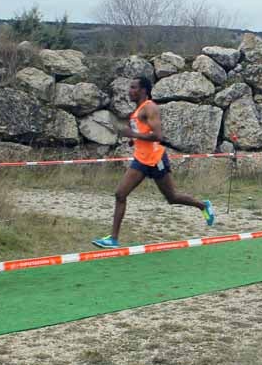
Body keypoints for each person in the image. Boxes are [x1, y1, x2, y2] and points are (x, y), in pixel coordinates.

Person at [92, 76, 215, 248]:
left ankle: (203, 205)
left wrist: (133, 135)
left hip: (156, 159)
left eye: (134, 87)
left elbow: (158, 135)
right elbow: (143, 132)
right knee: (120, 194)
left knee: (172, 197)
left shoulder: (150, 108)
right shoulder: (137, 111)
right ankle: (113, 239)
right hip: (141, 160)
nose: (130, 91)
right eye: (130, 87)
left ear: (143, 90)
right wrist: (133, 140)